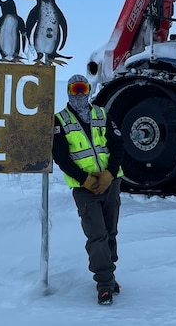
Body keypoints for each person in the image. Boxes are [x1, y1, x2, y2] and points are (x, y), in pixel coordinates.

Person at [53, 74, 125, 306]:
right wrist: (84, 179)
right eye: (76, 89)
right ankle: (104, 284)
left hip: (110, 183)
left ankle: (109, 275)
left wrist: (109, 174)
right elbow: (61, 156)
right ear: (69, 92)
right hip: (85, 188)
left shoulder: (101, 114)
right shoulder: (60, 120)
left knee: (110, 233)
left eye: (83, 88)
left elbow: (117, 145)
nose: (80, 93)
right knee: (97, 236)